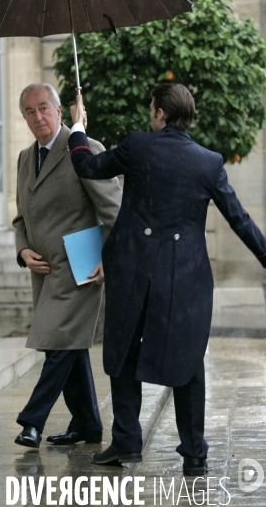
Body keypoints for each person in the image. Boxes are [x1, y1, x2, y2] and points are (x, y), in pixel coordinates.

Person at [68, 83, 266, 475]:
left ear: (160, 112)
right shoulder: (209, 161)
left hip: (133, 271)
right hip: (185, 276)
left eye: (150, 106)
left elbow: (89, 167)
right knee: (188, 361)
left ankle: (126, 443)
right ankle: (194, 452)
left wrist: (77, 129)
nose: (149, 112)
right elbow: (238, 218)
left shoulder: (138, 146)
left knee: (122, 352)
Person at [12, 83, 122, 449]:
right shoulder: (25, 159)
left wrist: (112, 255)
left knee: (59, 346)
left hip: (83, 262)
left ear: (60, 111)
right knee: (67, 347)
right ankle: (88, 425)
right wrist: (23, 249)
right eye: (30, 111)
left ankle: (32, 422)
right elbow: (20, 219)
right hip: (44, 271)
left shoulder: (85, 149)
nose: (38, 116)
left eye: (44, 107)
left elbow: (113, 210)